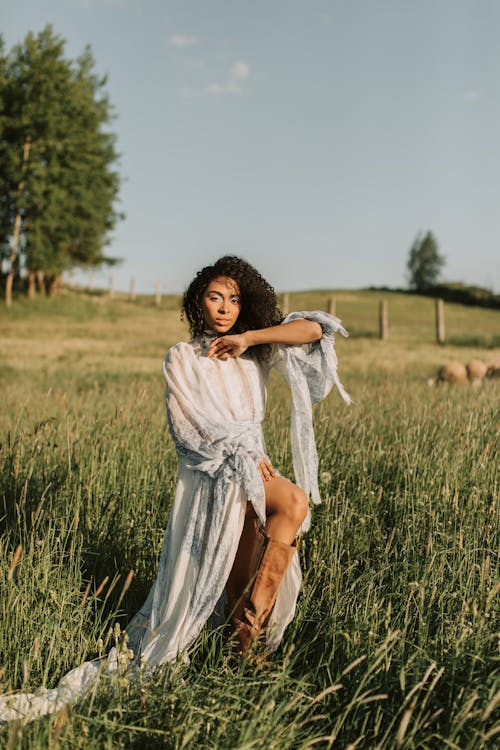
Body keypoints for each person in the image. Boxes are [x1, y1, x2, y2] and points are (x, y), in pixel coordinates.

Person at [0, 255, 350, 723]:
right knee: (289, 505)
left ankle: (241, 645)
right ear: (197, 301)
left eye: (234, 299)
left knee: (253, 559)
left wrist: (251, 336)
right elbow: (187, 435)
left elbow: (316, 329)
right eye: (214, 296)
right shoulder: (182, 358)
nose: (224, 307)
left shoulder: (253, 350)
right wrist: (240, 458)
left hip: (255, 473)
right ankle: (243, 649)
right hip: (215, 478)